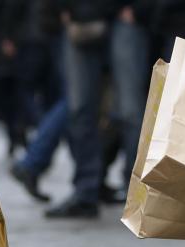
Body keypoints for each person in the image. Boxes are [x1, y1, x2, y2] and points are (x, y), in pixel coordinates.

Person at [45, 0, 151, 218]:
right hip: (80, 17)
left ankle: (139, 193)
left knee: (130, 111)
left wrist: (141, 9)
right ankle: (85, 193)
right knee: (81, 109)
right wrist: (61, 10)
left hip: (124, 16)